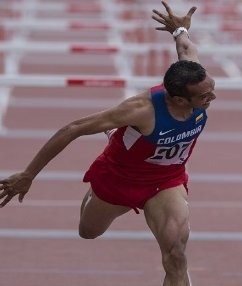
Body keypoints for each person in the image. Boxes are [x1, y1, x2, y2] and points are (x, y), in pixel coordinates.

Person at [0, 1, 215, 286]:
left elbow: (187, 51)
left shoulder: (196, 80)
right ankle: (114, 145)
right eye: (204, 97)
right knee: (88, 231)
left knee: (176, 254)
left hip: (166, 181)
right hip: (118, 178)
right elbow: (73, 128)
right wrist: (28, 175)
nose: (211, 98)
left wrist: (179, 30)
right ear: (177, 99)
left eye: (210, 91)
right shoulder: (140, 109)